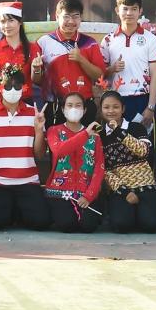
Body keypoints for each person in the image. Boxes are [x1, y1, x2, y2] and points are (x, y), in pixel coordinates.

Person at [0, 66, 51, 231]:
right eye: (8, 86)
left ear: (24, 88)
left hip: (27, 181)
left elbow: (39, 155)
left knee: (41, 222)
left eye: (17, 86)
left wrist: (39, 130)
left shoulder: (34, 114)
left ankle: (16, 210)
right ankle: (13, 210)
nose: (13, 90)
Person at [98, 91, 156, 234]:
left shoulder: (136, 127)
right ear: (101, 110)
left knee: (152, 225)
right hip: (121, 190)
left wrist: (119, 133)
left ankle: (141, 215)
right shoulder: (100, 136)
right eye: (106, 107)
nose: (111, 111)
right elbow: (104, 170)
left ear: (123, 109)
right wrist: (124, 191)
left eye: (116, 107)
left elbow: (144, 151)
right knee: (121, 225)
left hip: (145, 186)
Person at [37, 0, 106, 126]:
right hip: (55, 105)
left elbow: (100, 76)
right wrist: (35, 69)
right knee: (55, 139)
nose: (71, 21)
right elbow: (36, 80)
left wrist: (81, 59)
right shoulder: (44, 42)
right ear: (57, 17)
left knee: (87, 138)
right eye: (66, 17)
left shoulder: (89, 43)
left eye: (75, 16)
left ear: (81, 18)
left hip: (85, 105)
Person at [44, 92, 105, 233]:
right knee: (67, 225)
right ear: (63, 109)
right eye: (69, 105)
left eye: (78, 106)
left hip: (86, 192)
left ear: (84, 110)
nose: (74, 109)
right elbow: (59, 150)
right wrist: (85, 134)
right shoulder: (54, 130)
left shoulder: (95, 135)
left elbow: (99, 167)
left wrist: (89, 196)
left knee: (88, 226)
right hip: (59, 192)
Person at [101, 0, 156, 127]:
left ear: (140, 11)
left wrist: (151, 107)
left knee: (142, 140)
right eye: (125, 9)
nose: (129, 13)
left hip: (142, 100)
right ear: (117, 10)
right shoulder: (108, 40)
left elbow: (155, 75)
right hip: (115, 101)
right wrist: (112, 69)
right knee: (116, 140)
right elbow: (99, 74)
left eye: (134, 9)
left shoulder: (151, 39)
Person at [0, 1, 43, 105]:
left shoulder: (33, 48)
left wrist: (36, 69)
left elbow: (36, 80)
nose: (6, 25)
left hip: (24, 101)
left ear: (20, 22)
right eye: (2, 21)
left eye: (11, 20)